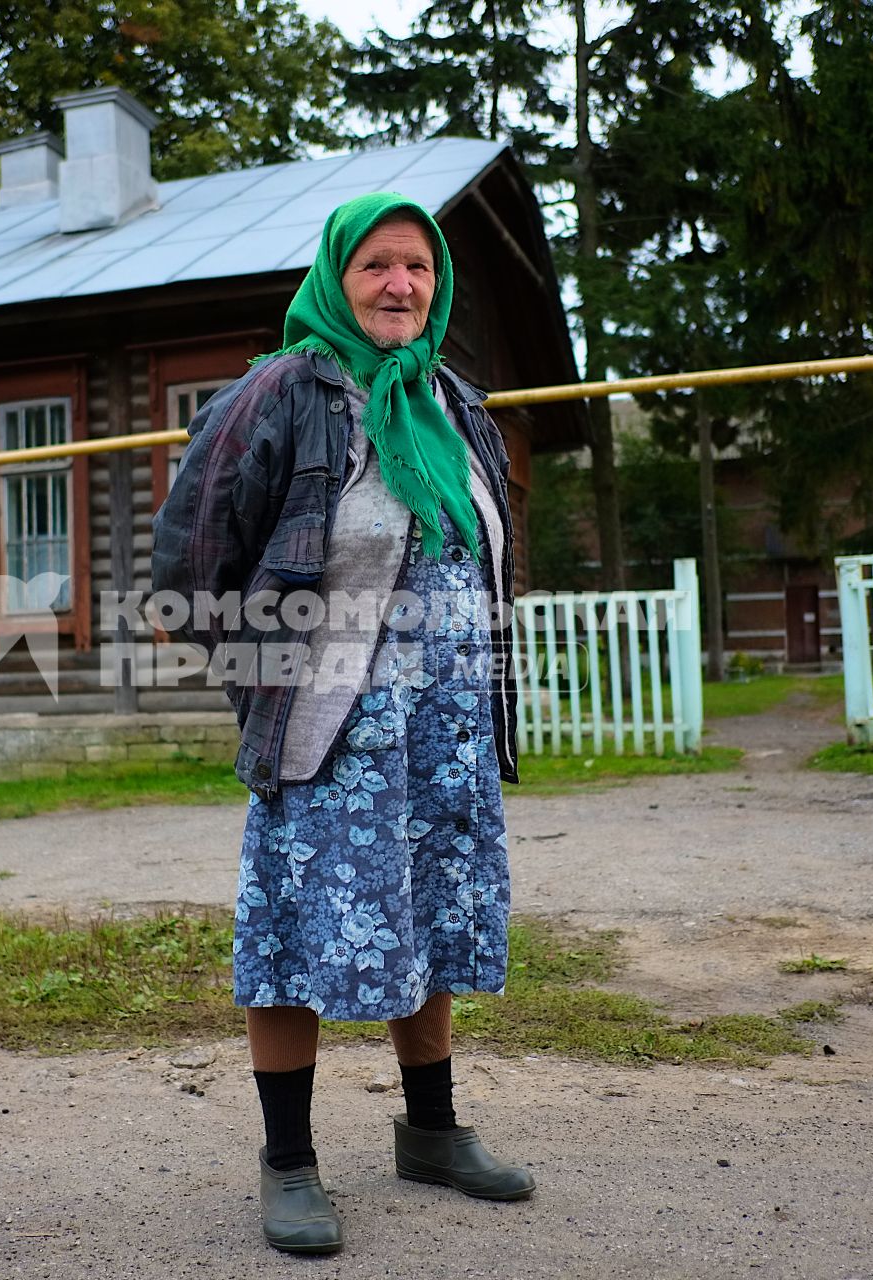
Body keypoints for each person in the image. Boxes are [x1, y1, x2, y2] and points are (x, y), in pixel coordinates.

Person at [151, 192, 533, 1255]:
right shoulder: (282, 391)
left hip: (442, 736)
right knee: (291, 939)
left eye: (416, 266)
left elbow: (479, 556)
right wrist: (268, 680)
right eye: (377, 265)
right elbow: (187, 567)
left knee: (434, 918)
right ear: (337, 276)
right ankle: (288, 1163)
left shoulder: (455, 403)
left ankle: (434, 1130)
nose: (400, 284)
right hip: (333, 742)